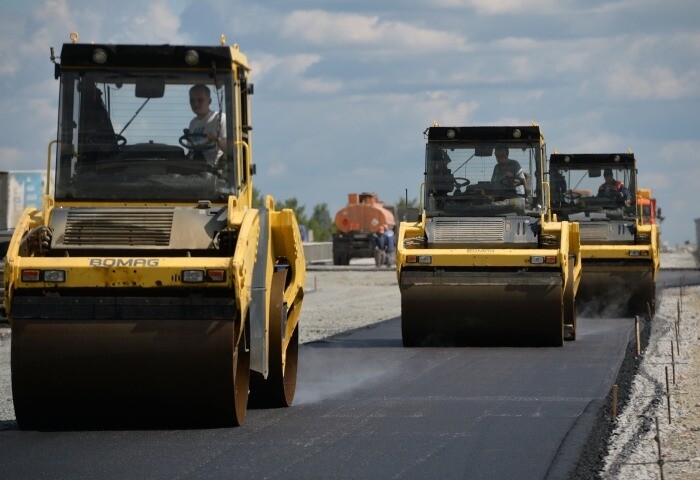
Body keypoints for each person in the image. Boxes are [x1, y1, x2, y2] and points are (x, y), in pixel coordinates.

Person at [187, 84, 226, 167]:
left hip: (213, 171)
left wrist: (217, 139)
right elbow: (190, 150)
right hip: (194, 167)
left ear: (209, 101)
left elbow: (230, 149)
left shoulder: (219, 118)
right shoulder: (193, 123)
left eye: (200, 100)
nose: (195, 104)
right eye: (192, 100)